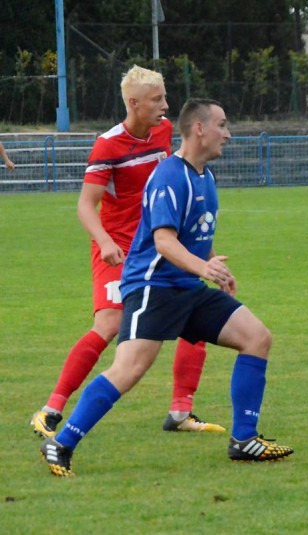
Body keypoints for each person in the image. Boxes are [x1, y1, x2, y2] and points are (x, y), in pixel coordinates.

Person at [40, 98, 293, 477]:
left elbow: (193, 235)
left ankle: (244, 439)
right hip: (152, 287)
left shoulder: (204, 176)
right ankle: (60, 443)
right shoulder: (169, 176)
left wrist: (213, 266)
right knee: (129, 368)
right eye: (222, 125)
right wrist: (204, 268)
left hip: (187, 287)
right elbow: (163, 241)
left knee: (257, 338)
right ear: (199, 129)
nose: (228, 134)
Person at [31, 66, 223, 440]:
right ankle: (51, 410)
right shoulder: (108, 145)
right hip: (118, 249)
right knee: (109, 324)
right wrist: (104, 241)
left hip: (158, 247)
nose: (165, 106)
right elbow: (86, 204)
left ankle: (180, 411)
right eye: (157, 99)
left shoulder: (164, 132)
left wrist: (203, 251)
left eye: (164, 97)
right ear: (133, 103)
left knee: (194, 309)